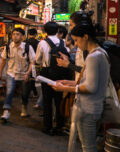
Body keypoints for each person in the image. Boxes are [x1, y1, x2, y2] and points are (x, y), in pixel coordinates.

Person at [50, 22, 109, 152]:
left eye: (76, 40)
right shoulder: (101, 53)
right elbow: (92, 82)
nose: (75, 44)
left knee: (87, 147)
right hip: (94, 107)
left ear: (86, 37)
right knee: (88, 145)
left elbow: (90, 87)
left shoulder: (93, 57)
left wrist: (64, 88)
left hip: (88, 108)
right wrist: (68, 82)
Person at [35, 21, 69, 135]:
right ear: (58, 31)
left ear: (45, 31)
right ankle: (59, 126)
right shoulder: (63, 42)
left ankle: (47, 126)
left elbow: (38, 60)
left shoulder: (42, 43)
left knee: (47, 100)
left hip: (47, 73)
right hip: (60, 74)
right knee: (59, 100)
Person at [0, 28, 35, 122]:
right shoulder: (8, 47)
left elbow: (33, 62)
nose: (15, 36)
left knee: (25, 93)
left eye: (17, 34)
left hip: (24, 74)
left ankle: (24, 108)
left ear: (22, 36)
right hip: (11, 73)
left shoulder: (27, 47)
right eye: (13, 34)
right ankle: (6, 111)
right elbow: (3, 60)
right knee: (9, 92)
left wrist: (28, 73)